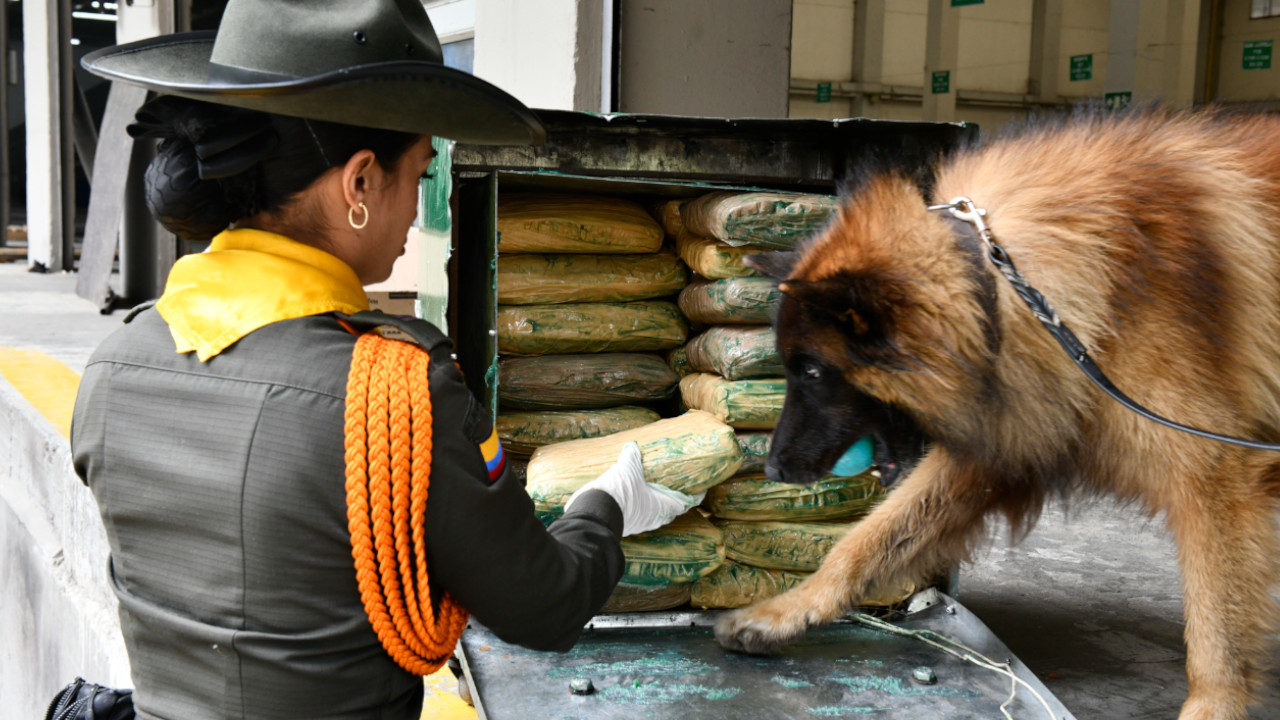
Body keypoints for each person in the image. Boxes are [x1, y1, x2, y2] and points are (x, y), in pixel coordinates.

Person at [71, 2, 686, 718]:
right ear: (360, 183)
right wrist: (602, 507)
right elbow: (542, 606)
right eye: (423, 176)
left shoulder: (115, 366)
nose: (420, 214)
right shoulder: (395, 393)